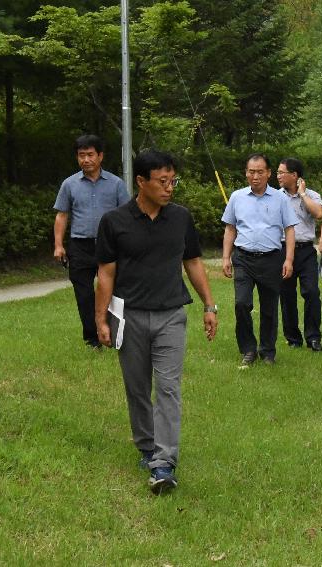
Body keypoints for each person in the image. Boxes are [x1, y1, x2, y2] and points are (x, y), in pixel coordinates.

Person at [94, 149, 218, 494]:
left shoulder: (180, 218)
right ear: (141, 182)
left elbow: (193, 262)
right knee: (137, 388)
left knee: (167, 388)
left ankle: (164, 463)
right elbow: (105, 273)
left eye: (172, 181)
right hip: (129, 315)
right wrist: (100, 318)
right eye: (162, 182)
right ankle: (146, 446)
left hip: (171, 316)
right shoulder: (115, 221)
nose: (169, 188)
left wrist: (210, 305)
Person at [221, 154, 298, 367]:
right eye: (251, 172)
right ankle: (248, 349)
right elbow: (230, 228)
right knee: (241, 303)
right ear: (246, 173)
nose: (255, 176)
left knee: (269, 307)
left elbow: (290, 230)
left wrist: (289, 259)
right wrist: (226, 257)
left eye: (260, 172)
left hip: (271, 259)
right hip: (243, 258)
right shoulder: (237, 197)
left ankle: (267, 351)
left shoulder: (280, 198)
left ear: (268, 174)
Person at [53, 134, 129, 348]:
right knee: (84, 293)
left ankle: (115, 333)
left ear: (100, 156)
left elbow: (126, 216)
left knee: (115, 291)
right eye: (81, 155)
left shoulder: (116, 184)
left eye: (90, 155)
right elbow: (61, 215)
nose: (86, 160)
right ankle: (92, 338)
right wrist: (59, 245)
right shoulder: (69, 184)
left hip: (111, 245)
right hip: (80, 245)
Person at [277, 157, 322, 351]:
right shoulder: (275, 196)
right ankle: (293, 338)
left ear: (294, 175)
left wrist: (302, 194)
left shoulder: (311, 195)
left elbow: (319, 214)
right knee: (286, 295)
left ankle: (313, 338)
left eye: (282, 172)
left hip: (306, 251)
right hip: (282, 250)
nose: (278, 175)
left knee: (312, 293)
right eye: (278, 172)